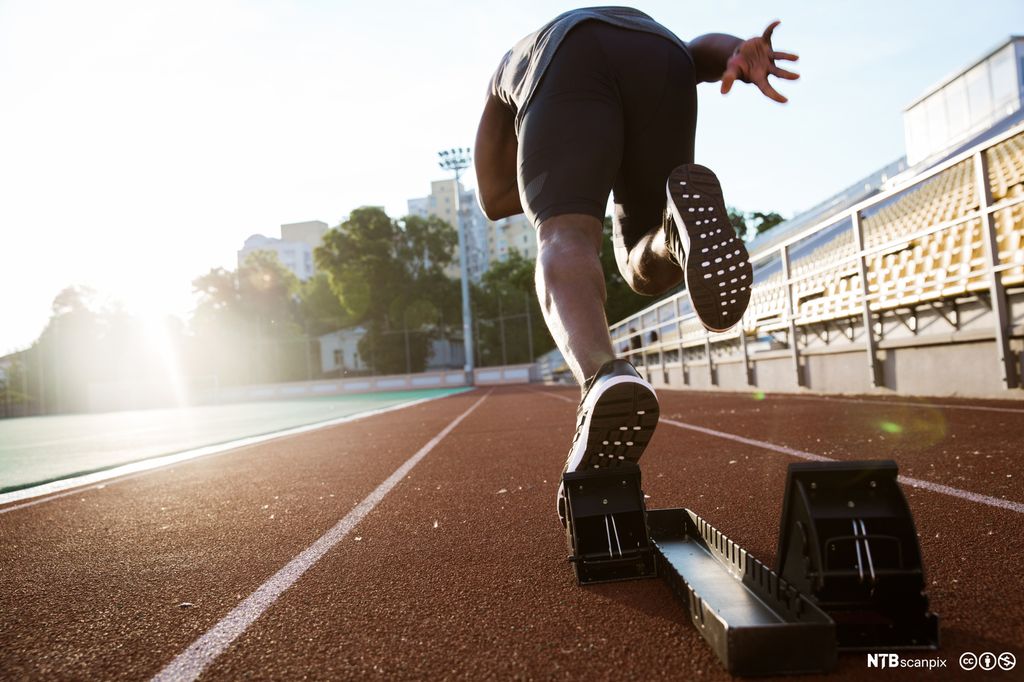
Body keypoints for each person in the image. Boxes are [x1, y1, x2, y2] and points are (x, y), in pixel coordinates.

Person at [473, 7, 798, 524]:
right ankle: (674, 234)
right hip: (662, 52)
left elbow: (492, 197)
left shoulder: (504, 79)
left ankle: (602, 377)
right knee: (644, 266)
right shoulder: (635, 38)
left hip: (567, 58)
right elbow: (695, 57)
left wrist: (573, 174)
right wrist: (736, 51)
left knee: (563, 233)